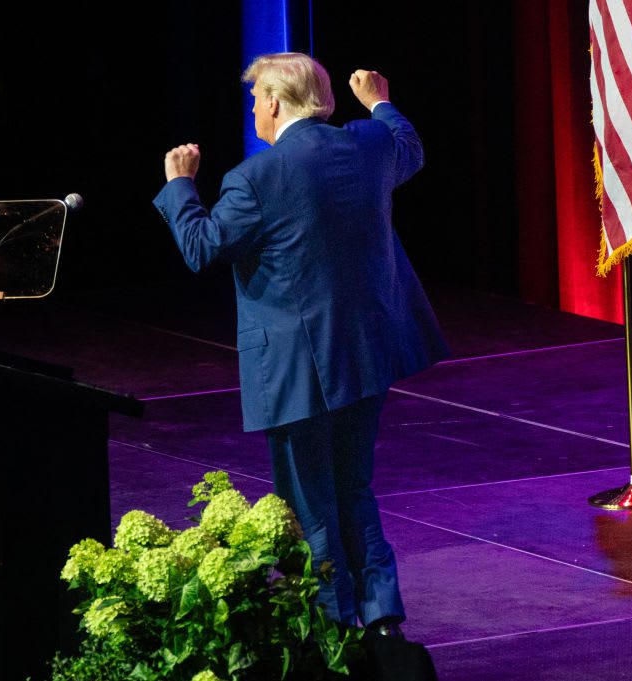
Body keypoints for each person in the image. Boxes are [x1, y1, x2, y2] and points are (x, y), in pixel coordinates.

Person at [153, 53, 448, 635]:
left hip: (298, 367)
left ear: (277, 101)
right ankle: (382, 614)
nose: (254, 107)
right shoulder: (367, 146)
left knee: (309, 500)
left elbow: (202, 247)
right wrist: (380, 100)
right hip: (367, 350)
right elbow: (408, 147)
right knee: (353, 483)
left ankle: (331, 626)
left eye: (257, 96)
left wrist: (179, 185)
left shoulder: (256, 178)